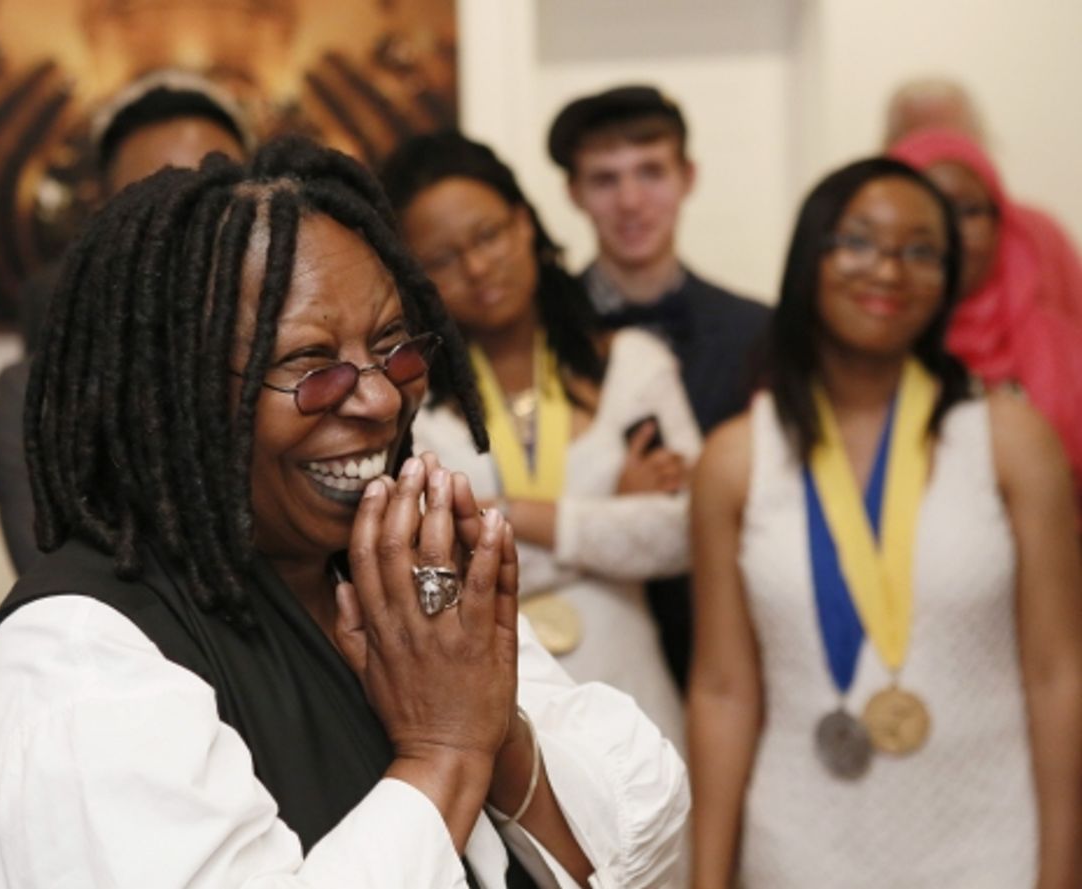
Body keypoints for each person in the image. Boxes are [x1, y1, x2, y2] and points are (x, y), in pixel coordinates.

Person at [0, 137, 688, 887]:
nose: (382, 398)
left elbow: (634, 834)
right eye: (312, 369)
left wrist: (499, 735)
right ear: (179, 395)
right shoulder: (81, 659)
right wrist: (447, 752)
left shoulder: (397, 563)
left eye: (395, 349)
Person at [687, 157, 1082, 888]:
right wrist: (707, 876)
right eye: (859, 241)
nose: (890, 270)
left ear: (949, 278)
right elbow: (721, 688)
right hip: (799, 844)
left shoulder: (1009, 440)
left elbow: (1058, 672)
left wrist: (1063, 867)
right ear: (812, 258)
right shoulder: (735, 460)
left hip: (989, 841)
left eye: (921, 250)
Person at [378, 130, 699, 752]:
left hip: (638, 704)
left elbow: (685, 534)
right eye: (443, 259)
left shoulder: (634, 365)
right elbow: (428, 576)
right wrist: (608, 521)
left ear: (525, 224)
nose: (476, 267)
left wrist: (507, 516)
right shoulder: (407, 408)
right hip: (498, 719)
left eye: (488, 236)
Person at [547, 84, 769, 693]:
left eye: (651, 172)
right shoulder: (533, 335)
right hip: (586, 647)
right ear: (573, 193)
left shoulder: (760, 333)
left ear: (688, 176)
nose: (631, 201)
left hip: (728, 632)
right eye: (604, 179)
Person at [0, 69, 252, 573]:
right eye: (161, 200)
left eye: (220, 193)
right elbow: (58, 576)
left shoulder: (307, 365)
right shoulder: (40, 399)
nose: (194, 223)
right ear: (107, 218)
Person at [888, 128, 1082, 515]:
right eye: (929, 205)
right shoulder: (870, 348)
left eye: (970, 211)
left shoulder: (1064, 347)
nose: (951, 230)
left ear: (1001, 223)